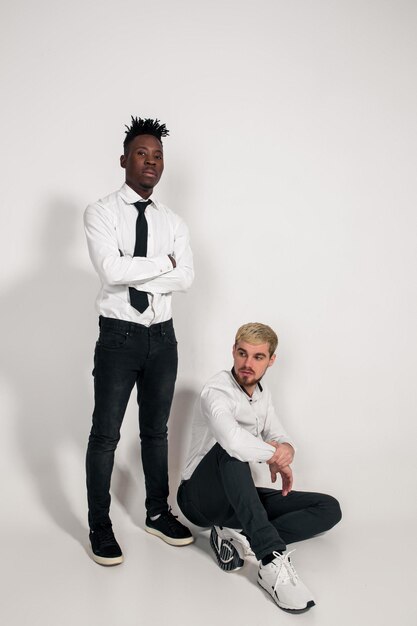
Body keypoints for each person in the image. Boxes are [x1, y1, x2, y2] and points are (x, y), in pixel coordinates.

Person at [84, 116, 194, 566]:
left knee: (156, 432)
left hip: (163, 339)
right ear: (124, 159)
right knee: (106, 435)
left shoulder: (174, 221)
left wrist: (142, 264)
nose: (151, 162)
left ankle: (156, 512)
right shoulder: (101, 212)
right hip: (118, 338)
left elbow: (186, 277)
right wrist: (161, 265)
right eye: (142, 154)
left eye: (158, 156)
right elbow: (110, 271)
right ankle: (100, 526)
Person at [177, 323, 341, 613]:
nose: (247, 364)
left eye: (257, 357)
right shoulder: (216, 390)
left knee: (328, 508)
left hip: (239, 500)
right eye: (242, 354)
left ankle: (242, 537)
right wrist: (274, 456)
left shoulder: (262, 395)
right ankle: (270, 559)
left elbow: (278, 435)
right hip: (198, 499)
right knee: (230, 451)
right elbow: (233, 442)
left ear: (271, 360)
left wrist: (287, 449)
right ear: (233, 351)